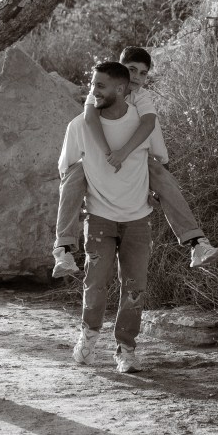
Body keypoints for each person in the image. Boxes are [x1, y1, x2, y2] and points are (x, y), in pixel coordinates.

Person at [53, 45, 218, 278]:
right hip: (97, 160)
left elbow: (149, 124)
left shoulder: (141, 97)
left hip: (133, 160)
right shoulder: (100, 92)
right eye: (132, 70)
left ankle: (196, 242)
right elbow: (90, 118)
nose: (137, 77)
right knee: (74, 176)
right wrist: (107, 153)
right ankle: (63, 249)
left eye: (144, 73)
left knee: (161, 175)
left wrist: (125, 154)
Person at [62, 61, 153, 373]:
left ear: (120, 89)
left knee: (135, 287)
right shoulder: (78, 126)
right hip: (99, 217)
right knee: (96, 282)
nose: (93, 91)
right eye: (92, 84)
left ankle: (125, 350)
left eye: (100, 86)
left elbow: (160, 159)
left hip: (138, 218)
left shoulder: (143, 123)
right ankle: (88, 339)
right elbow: (67, 169)